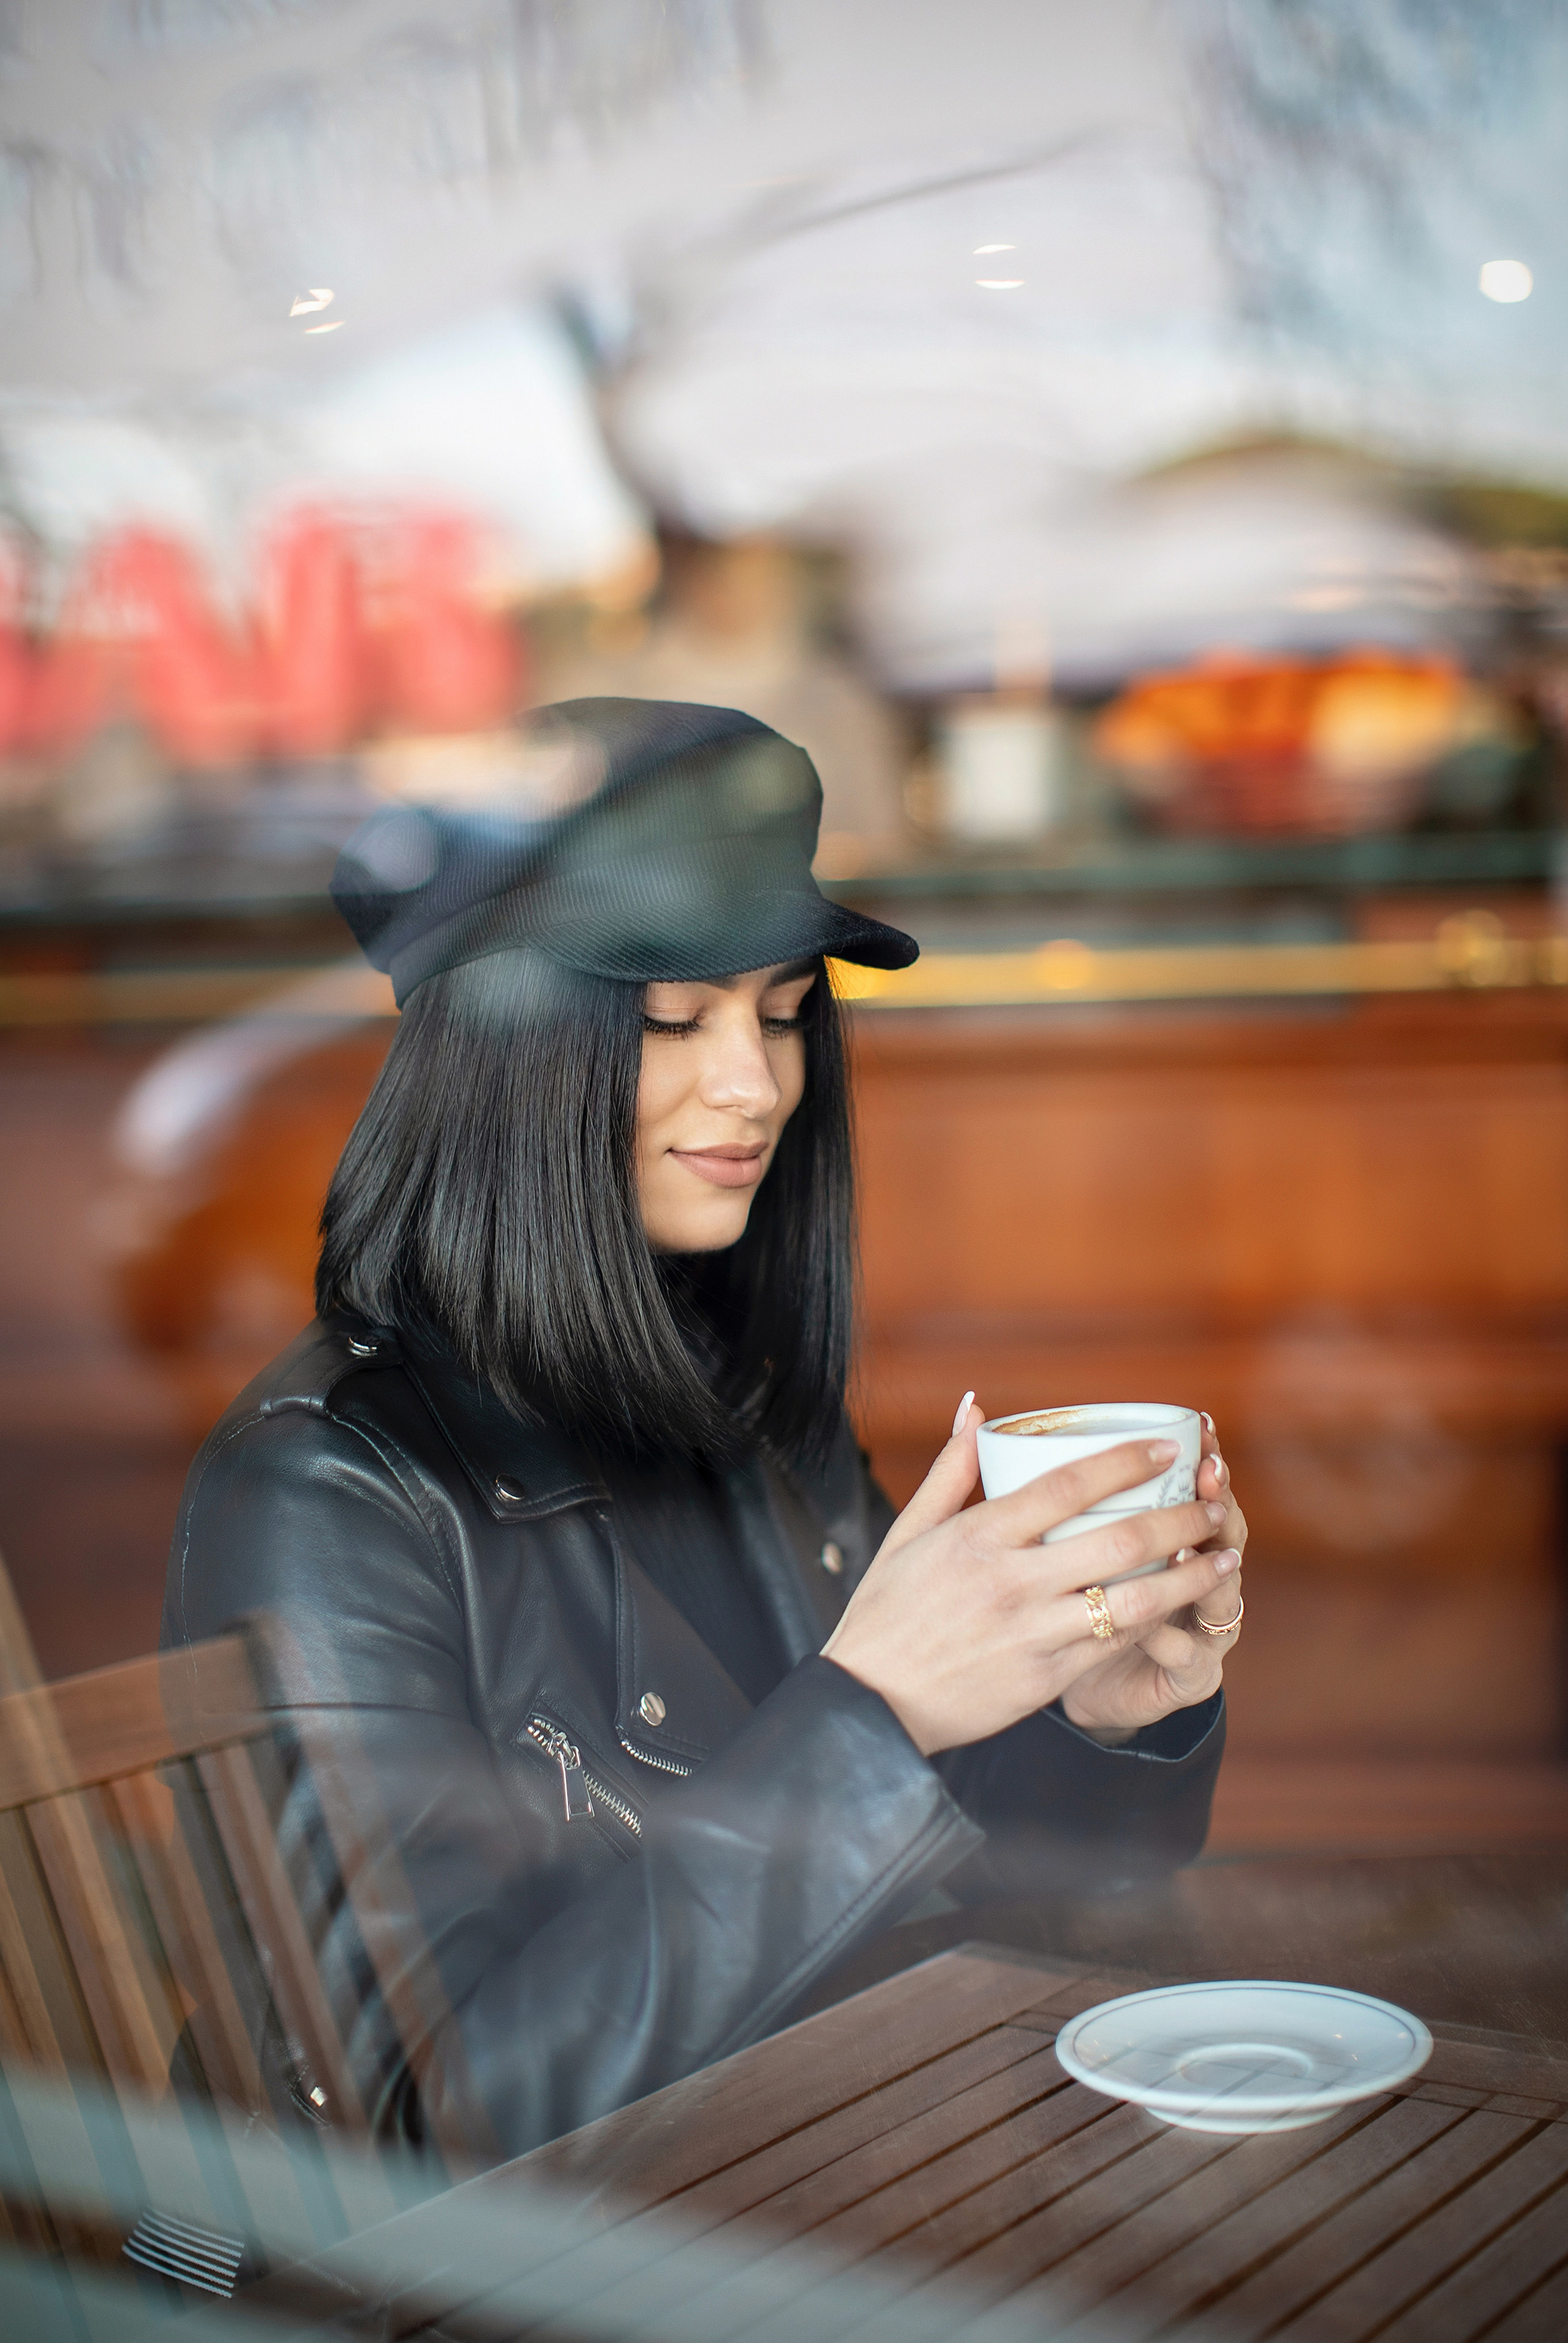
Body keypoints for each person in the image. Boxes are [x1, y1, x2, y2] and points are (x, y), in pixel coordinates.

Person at [162, 697, 1246, 2162]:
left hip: (805, 2184)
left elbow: (1026, 1879)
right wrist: (873, 1713)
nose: (755, 1081)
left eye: (784, 1012)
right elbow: (410, 2130)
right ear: (501, 1054)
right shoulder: (327, 1492)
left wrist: (1108, 1718)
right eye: (674, 1020)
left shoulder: (734, 1397)